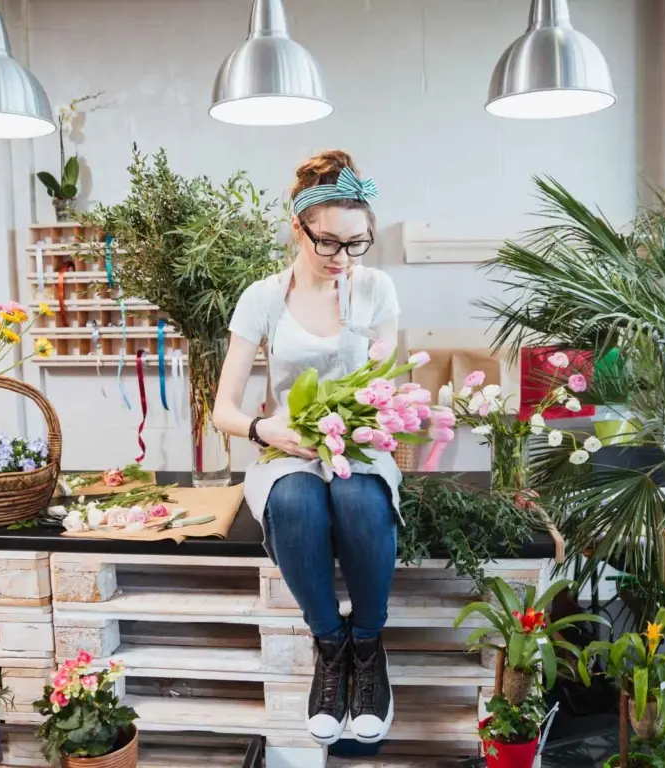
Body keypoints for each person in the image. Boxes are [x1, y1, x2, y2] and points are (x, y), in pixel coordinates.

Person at [213, 150, 401, 746]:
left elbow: (385, 390)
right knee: (295, 504)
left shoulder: (375, 289)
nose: (343, 259)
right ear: (297, 228)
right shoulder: (264, 297)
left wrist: (371, 394)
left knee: (357, 500)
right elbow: (224, 409)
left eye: (356, 243)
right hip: (285, 447)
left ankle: (368, 647)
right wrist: (265, 430)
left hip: (358, 445)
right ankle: (330, 645)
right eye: (329, 244)